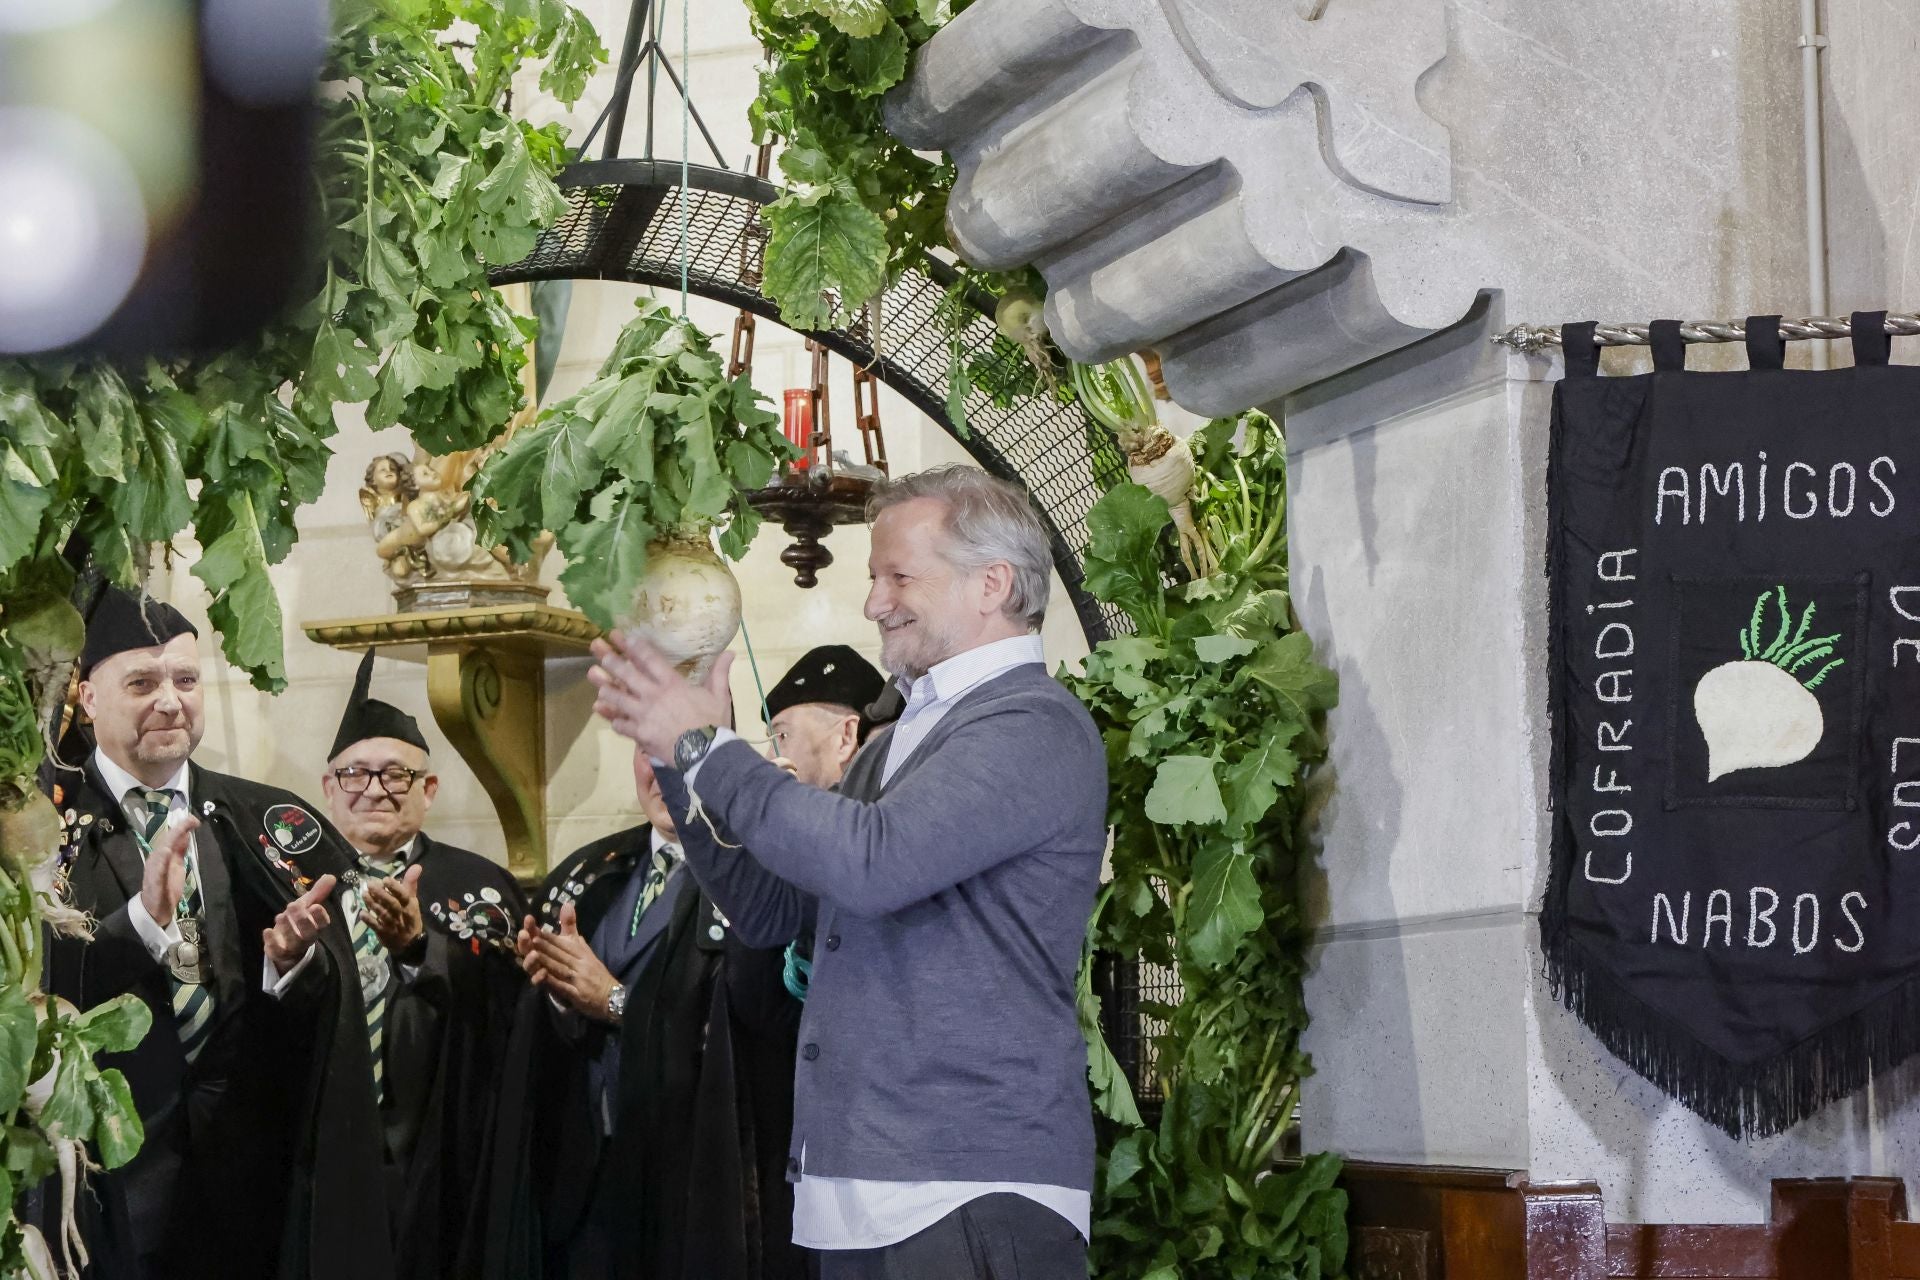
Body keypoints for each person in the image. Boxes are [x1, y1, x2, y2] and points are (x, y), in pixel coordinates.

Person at [589, 465, 1110, 1280]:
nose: (874, 602)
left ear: (992, 583)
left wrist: (709, 749)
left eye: (899, 575)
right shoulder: (901, 734)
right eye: (874, 577)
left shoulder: (1030, 723)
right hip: (856, 1182)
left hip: (967, 1181)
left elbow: (874, 863)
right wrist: (682, 762)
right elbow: (769, 910)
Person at [41, 586, 395, 1279]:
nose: (170, 700)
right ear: (86, 698)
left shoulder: (262, 818)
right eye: (141, 682)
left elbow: (325, 1026)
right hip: (110, 1186)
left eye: (185, 679)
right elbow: (36, 994)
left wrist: (292, 967)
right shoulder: (44, 829)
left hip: (250, 1180)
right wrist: (140, 924)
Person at [476, 750, 811, 1280]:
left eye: (678, 754)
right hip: (583, 1180)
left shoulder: (758, 880)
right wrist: (556, 989)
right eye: (646, 754)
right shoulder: (589, 870)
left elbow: (753, 1035)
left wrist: (613, 1001)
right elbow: (538, 1039)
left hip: (691, 1178)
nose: (661, 775)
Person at [319, 650, 527, 1278]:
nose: (376, 789)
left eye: (397, 775)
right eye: (356, 774)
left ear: (429, 790)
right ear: (329, 788)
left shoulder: (481, 886)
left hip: (444, 1148)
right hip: (325, 1146)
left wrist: (421, 950)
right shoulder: (289, 883)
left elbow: (508, 1014)